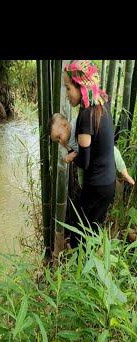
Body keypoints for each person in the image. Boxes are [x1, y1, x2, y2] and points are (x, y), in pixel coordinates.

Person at [62, 61, 116, 248]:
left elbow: (84, 162)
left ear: (80, 85)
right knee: (90, 232)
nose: (67, 94)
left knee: (80, 239)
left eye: (68, 88)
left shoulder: (86, 115)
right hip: (108, 183)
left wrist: (70, 155)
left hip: (97, 186)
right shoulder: (102, 101)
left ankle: (80, 271)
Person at [49, 112, 134, 187]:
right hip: (83, 158)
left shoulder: (77, 124)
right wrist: (67, 158)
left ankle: (125, 173)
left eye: (59, 137)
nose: (60, 141)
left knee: (113, 150)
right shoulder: (64, 142)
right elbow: (64, 157)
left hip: (96, 147)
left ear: (65, 126)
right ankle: (83, 187)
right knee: (81, 174)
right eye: (57, 141)